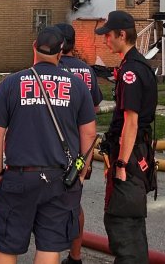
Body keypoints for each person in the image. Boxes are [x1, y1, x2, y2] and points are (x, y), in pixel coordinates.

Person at [0, 26, 97, 264]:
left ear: (33, 47)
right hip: (60, 178)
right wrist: (81, 173)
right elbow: (89, 134)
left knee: (6, 244)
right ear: (60, 53)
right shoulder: (77, 86)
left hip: (19, 175)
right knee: (49, 246)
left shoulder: (11, 83)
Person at [96, 10, 158, 263]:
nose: (105, 40)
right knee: (128, 221)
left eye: (108, 35)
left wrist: (121, 164)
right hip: (136, 152)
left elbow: (131, 121)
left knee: (122, 219)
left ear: (122, 35)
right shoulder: (136, 65)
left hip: (130, 156)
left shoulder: (131, 71)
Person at [54, 23, 102, 264]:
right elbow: (95, 108)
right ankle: (75, 255)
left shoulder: (53, 69)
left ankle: (48, 252)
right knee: (75, 204)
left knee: (48, 206)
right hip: (80, 152)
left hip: (52, 147)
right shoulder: (87, 70)